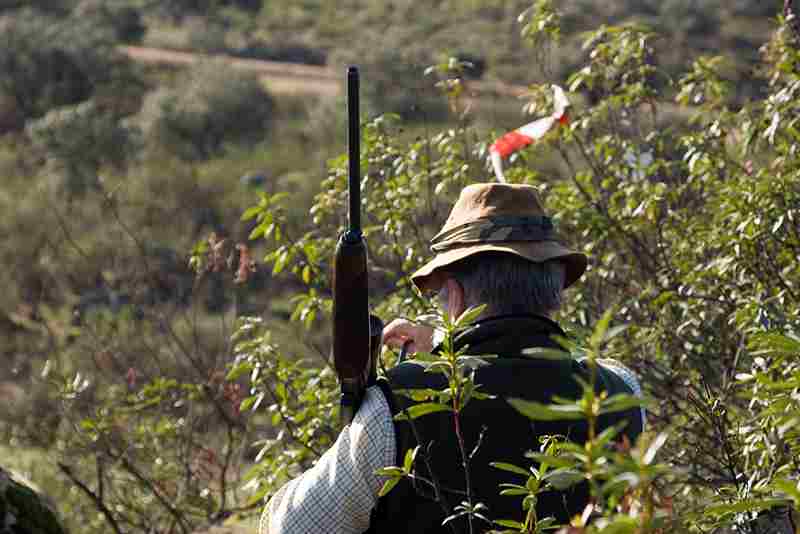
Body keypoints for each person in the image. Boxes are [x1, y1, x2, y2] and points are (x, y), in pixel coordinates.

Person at [260, 183, 645, 534]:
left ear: (455, 296)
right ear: (555, 290)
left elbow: (292, 528)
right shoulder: (620, 393)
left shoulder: (398, 406)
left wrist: (446, 354)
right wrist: (451, 346)